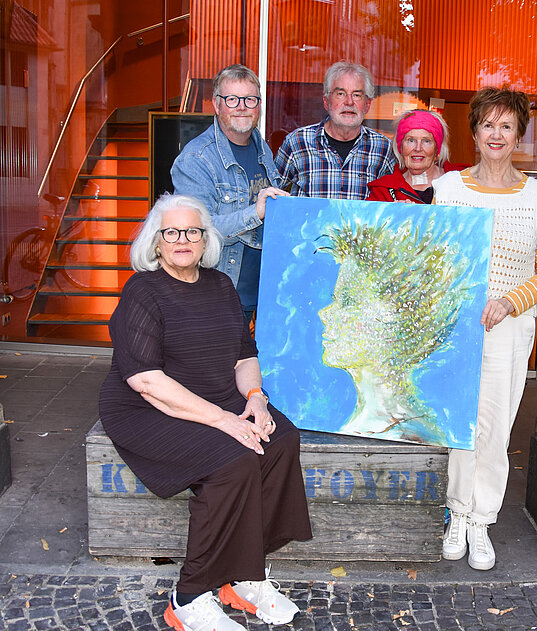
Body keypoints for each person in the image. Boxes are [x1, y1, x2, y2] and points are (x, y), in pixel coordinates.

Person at [98, 194, 311, 631]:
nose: (182, 240)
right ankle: (189, 594)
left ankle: (245, 574)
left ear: (205, 239)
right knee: (232, 460)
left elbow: (243, 355)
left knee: (279, 438)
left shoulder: (219, 285)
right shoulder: (143, 290)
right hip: (146, 409)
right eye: (171, 232)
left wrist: (255, 400)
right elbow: (147, 381)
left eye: (192, 231)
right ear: (156, 243)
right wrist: (224, 421)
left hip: (211, 396)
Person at [433, 87, 537, 571]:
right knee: (458, 425)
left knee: (494, 427)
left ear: (519, 135)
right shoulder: (448, 189)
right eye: (488, 124)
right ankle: (457, 515)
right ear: (474, 131)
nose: (496, 134)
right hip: (455, 327)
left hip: (509, 329)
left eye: (506, 126)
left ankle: (482, 520)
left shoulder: (536, 195)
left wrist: (510, 301)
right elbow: (435, 257)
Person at [317, 219, 469, 445]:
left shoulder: (409, 436)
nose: (324, 314)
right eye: (336, 300)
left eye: (349, 301)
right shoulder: (364, 426)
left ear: (398, 315)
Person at [171, 64, 288, 323]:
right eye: (232, 99)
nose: (242, 107)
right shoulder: (196, 159)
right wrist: (255, 212)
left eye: (250, 99)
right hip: (220, 298)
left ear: (259, 104)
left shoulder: (261, 147)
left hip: (263, 294)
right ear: (216, 104)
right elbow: (196, 232)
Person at [274, 61, 395, 199]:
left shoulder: (384, 149)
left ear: (367, 105)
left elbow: (393, 203)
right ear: (326, 101)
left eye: (357, 95)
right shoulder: (296, 143)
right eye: (340, 94)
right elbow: (271, 196)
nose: (349, 102)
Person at [366, 109, 467, 203]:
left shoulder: (462, 181)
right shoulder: (382, 191)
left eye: (426, 141)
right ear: (400, 147)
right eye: (411, 140)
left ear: (437, 148)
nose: (418, 148)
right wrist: (392, 216)